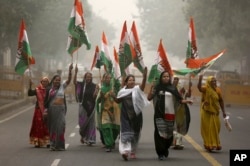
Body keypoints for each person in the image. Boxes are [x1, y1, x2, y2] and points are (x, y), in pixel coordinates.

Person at [147, 71, 193, 160]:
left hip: (170, 114)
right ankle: (160, 153)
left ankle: (165, 149)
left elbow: (180, 100)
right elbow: (149, 98)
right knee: (159, 133)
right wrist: (151, 90)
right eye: (164, 76)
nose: (166, 78)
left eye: (167, 76)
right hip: (159, 114)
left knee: (168, 135)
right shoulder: (157, 87)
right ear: (161, 78)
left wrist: (187, 101)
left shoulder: (172, 88)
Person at [112, 67, 149, 161]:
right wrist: (113, 96)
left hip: (136, 116)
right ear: (126, 82)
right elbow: (118, 101)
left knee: (136, 135)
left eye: (133, 80)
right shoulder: (122, 92)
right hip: (125, 116)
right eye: (130, 80)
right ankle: (125, 152)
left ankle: (133, 151)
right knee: (125, 134)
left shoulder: (137, 89)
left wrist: (144, 77)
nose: (132, 81)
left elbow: (143, 86)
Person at [44, 63, 73, 151]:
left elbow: (68, 80)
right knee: (52, 128)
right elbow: (46, 101)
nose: (57, 81)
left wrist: (70, 71)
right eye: (56, 80)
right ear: (53, 80)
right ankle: (53, 144)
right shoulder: (49, 89)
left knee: (61, 127)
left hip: (61, 111)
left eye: (59, 80)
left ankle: (60, 145)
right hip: (51, 112)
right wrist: (45, 111)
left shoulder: (62, 87)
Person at [197, 74, 226, 152]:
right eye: (212, 81)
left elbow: (221, 100)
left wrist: (223, 111)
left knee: (216, 128)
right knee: (207, 129)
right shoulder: (206, 89)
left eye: (214, 81)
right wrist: (200, 79)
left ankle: (215, 143)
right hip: (206, 112)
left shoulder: (218, 90)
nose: (214, 82)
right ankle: (209, 144)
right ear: (208, 82)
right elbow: (199, 88)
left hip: (215, 112)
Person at [73, 65, 99, 145]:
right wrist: (75, 73)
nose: (88, 78)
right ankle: (83, 135)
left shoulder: (94, 86)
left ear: (91, 78)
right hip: (82, 106)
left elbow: (94, 97)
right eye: (87, 77)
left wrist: (96, 91)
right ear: (85, 77)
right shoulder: (81, 85)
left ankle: (90, 139)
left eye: (90, 77)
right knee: (82, 123)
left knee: (91, 123)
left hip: (91, 107)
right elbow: (74, 82)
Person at [97, 73, 121, 152]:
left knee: (115, 129)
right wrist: (101, 96)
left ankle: (112, 141)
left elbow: (120, 97)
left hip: (115, 111)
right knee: (106, 127)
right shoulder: (102, 88)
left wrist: (114, 95)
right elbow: (99, 101)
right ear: (103, 79)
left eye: (109, 78)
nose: (108, 79)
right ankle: (108, 145)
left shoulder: (115, 87)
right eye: (106, 78)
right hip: (105, 111)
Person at [28, 77, 50, 148]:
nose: (44, 83)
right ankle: (37, 141)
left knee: (47, 125)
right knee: (38, 125)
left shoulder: (50, 90)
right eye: (43, 81)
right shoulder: (37, 90)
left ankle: (48, 141)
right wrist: (30, 85)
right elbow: (30, 93)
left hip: (47, 110)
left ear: (48, 83)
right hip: (38, 110)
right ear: (41, 82)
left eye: (46, 81)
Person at [172, 76, 192, 150]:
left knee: (180, 126)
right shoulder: (171, 89)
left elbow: (188, 95)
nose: (176, 80)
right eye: (174, 79)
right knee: (174, 126)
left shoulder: (181, 88)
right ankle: (175, 142)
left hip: (182, 110)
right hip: (174, 109)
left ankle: (178, 143)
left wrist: (190, 87)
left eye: (177, 79)